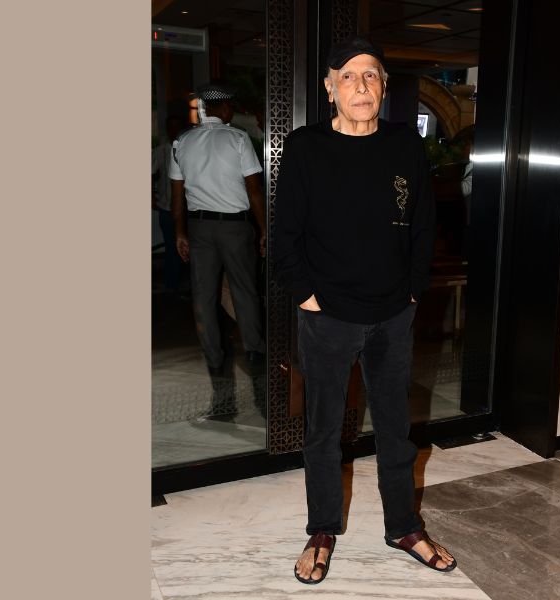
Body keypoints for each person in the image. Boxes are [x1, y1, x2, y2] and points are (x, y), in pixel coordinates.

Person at [273, 36, 456, 585]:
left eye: (371, 75)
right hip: (327, 315)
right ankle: (322, 530)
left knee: (396, 430)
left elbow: (423, 224)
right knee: (325, 431)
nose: (361, 86)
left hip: (393, 313)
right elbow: (285, 237)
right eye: (348, 76)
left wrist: (414, 290)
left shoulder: (404, 145)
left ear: (384, 87)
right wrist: (307, 298)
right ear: (330, 87)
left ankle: (404, 527)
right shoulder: (305, 146)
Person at [169, 84, 267, 420]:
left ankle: (221, 393)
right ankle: (259, 376)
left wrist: (180, 232)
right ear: (222, 108)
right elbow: (254, 190)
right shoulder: (238, 139)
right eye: (230, 106)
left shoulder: (182, 142)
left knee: (204, 301)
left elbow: (177, 194)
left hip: (199, 229)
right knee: (245, 294)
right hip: (235, 228)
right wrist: (264, 229)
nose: (232, 112)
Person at [152, 115, 188, 296]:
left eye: (177, 126)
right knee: (171, 247)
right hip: (167, 208)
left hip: (189, 210)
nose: (174, 130)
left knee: (190, 247)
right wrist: (151, 196)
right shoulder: (160, 151)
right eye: (171, 126)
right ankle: (171, 286)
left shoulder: (189, 148)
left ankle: (188, 285)